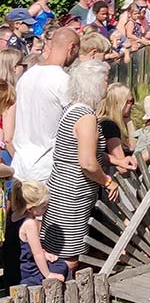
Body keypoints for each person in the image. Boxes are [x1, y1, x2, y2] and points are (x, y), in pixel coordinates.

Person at [41, 60, 119, 272]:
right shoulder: (86, 117)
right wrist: (107, 181)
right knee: (68, 253)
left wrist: (117, 161)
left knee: (56, 247)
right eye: (105, 80)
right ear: (94, 83)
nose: (108, 85)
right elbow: (87, 162)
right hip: (73, 191)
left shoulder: (71, 109)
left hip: (61, 184)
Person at [11, 28, 79, 183]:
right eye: (76, 51)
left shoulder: (27, 76)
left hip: (21, 165)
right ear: (71, 47)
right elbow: (75, 124)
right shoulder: (63, 81)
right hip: (46, 169)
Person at [11, 181, 68, 285]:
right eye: (43, 207)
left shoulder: (12, 216)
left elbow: (25, 248)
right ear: (30, 209)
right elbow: (37, 253)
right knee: (62, 266)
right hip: (28, 274)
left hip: (13, 272)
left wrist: (45, 254)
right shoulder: (29, 224)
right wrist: (48, 275)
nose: (46, 209)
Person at [96, 83, 139, 174]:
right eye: (129, 101)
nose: (132, 105)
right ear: (118, 103)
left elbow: (132, 147)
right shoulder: (109, 126)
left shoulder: (100, 122)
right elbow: (123, 166)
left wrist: (128, 120)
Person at [0, 49, 25, 161]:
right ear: (14, 67)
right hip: (5, 153)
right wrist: (18, 161)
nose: (24, 68)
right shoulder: (9, 95)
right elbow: (8, 138)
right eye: (22, 65)